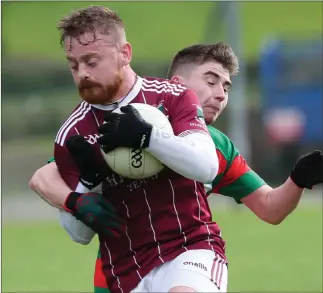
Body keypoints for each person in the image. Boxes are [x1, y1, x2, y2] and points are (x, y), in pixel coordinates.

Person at [31, 40, 323, 292]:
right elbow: (44, 177)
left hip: (184, 260)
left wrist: (297, 179)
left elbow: (270, 207)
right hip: (118, 274)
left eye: (226, 86)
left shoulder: (215, 146)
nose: (221, 94)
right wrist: (77, 200)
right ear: (178, 86)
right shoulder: (123, 122)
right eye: (211, 81)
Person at [30, 5, 230, 293]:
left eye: (92, 61)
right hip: (127, 273)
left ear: (125, 54)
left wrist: (151, 138)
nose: (82, 73)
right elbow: (78, 235)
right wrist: (87, 186)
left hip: (190, 249)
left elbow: (206, 166)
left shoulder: (172, 97)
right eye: (74, 65)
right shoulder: (72, 134)